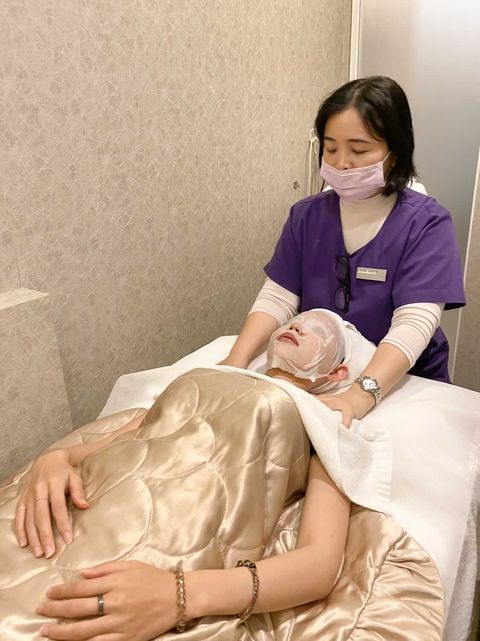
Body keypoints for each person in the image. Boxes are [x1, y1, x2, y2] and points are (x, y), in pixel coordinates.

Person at [12, 310, 361, 641]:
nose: (297, 326)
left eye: (317, 330)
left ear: (336, 373)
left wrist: (180, 594)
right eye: (295, 321)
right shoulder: (206, 375)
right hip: (98, 499)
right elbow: (134, 435)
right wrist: (55, 459)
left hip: (167, 536)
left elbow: (320, 564)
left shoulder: (322, 421)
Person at [221, 76, 465, 427]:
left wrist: (360, 394)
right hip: (321, 373)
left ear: (395, 151)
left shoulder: (426, 224)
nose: (341, 163)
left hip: (401, 380)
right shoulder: (306, 216)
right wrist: (236, 361)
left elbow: (414, 323)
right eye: (331, 148)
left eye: (359, 150)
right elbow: (278, 298)